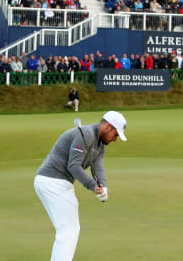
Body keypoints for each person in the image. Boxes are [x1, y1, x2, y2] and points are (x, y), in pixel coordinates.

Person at [34, 111, 127, 261]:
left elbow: (98, 169)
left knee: (68, 229)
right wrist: (92, 186)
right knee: (68, 230)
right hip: (53, 181)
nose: (115, 139)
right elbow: (73, 166)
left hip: (55, 183)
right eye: (115, 134)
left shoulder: (100, 146)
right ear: (108, 127)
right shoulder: (86, 134)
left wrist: (103, 187)